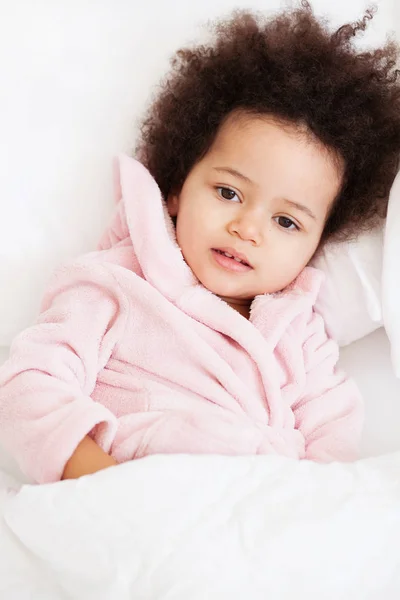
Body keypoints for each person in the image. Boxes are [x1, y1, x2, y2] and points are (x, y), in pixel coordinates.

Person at [0, 2, 400, 484]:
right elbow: (28, 384)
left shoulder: (302, 335)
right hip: (127, 492)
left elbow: (331, 445)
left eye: (286, 222)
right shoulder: (113, 286)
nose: (247, 228)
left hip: (255, 514)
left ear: (317, 242)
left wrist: (294, 521)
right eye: (228, 193)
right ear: (176, 187)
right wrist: (98, 483)